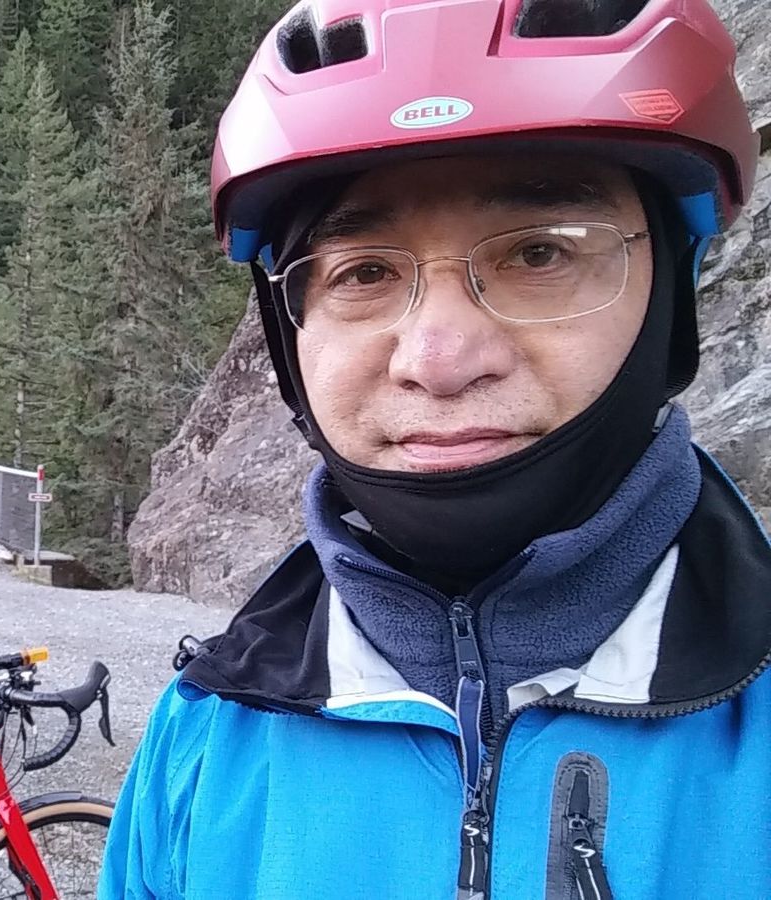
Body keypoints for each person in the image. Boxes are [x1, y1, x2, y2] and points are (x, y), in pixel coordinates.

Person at [99, 0, 767, 897]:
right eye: (365, 272)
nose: (438, 362)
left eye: (540, 254)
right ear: (290, 336)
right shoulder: (205, 739)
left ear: (671, 302)